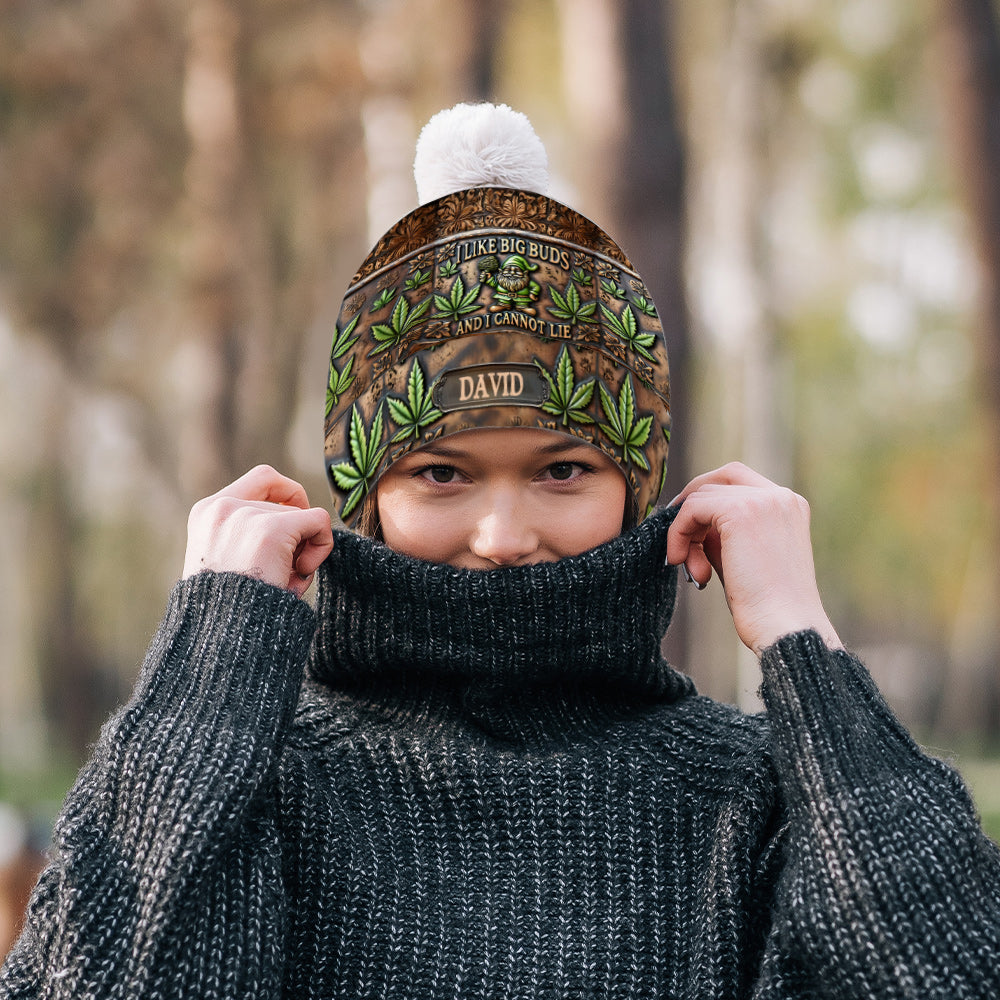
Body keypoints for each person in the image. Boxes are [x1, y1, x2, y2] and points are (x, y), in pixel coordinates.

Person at [2, 103, 998, 1000]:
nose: (505, 534)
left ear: (635, 483)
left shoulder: (749, 798)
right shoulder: (260, 784)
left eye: (563, 468)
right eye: (441, 472)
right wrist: (201, 685)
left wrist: (803, 645)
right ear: (364, 493)